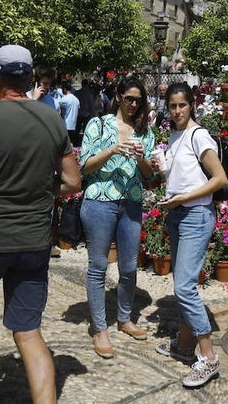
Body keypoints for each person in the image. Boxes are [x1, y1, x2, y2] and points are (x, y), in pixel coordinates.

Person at [0, 45, 80, 404]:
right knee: (28, 332)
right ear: (30, 78)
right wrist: (38, 188)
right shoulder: (52, 119)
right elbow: (72, 183)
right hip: (34, 243)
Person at [152, 81, 227, 389]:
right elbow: (180, 177)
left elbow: (219, 178)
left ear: (192, 104)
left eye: (182, 105)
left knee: (184, 287)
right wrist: (163, 171)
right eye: (172, 106)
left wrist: (183, 199)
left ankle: (208, 358)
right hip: (178, 215)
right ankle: (184, 346)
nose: (178, 110)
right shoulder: (174, 136)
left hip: (196, 215)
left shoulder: (199, 135)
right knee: (182, 283)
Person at [78, 77, 157, 359]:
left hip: (131, 203)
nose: (134, 104)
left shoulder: (145, 132)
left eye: (139, 100)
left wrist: (140, 160)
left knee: (129, 267)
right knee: (98, 266)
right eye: (129, 98)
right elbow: (84, 167)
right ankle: (99, 329)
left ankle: (124, 318)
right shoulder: (98, 125)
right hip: (100, 202)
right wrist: (111, 149)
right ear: (119, 97)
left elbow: (150, 176)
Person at [58, 82, 81, 147]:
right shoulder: (76, 99)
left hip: (66, 124)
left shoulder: (64, 99)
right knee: (71, 142)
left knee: (64, 143)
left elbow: (60, 111)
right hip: (74, 124)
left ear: (65, 89)